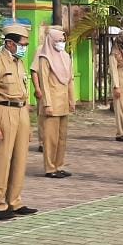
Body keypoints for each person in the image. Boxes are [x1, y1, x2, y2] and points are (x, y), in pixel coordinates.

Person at [0, 24, 37, 220]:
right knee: (1, 159)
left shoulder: (19, 63)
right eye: (23, 44)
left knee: (19, 159)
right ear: (10, 43)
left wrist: (28, 124)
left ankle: (14, 201)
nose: (25, 48)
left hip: (21, 110)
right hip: (3, 110)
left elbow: (24, 94)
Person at [32, 25, 76, 179]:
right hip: (51, 102)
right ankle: (50, 168)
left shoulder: (66, 56)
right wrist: (47, 103)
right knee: (50, 138)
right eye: (59, 40)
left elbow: (70, 80)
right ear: (51, 40)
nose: (61, 43)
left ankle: (59, 165)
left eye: (63, 40)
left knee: (62, 137)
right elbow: (43, 81)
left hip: (63, 101)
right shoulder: (45, 57)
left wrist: (72, 100)